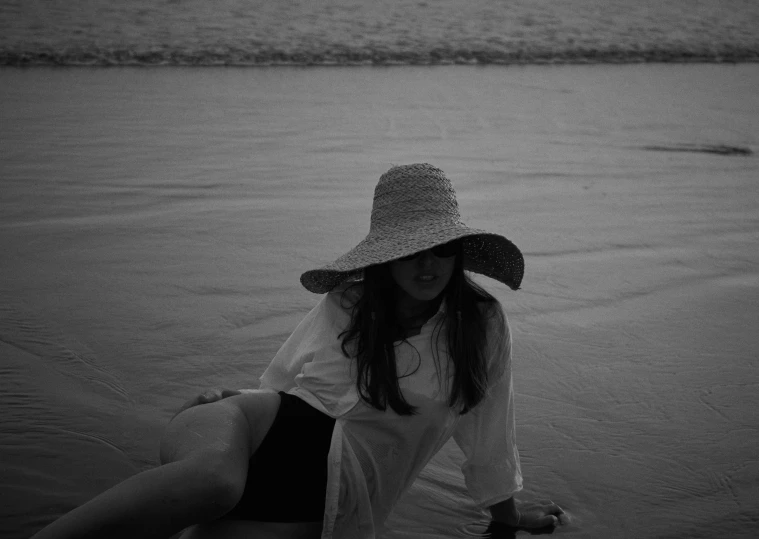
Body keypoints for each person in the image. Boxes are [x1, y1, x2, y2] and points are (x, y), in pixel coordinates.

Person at [31, 164, 565, 539]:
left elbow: (491, 429)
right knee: (213, 483)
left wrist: (505, 516)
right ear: (387, 258)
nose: (428, 267)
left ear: (459, 251)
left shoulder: (481, 324)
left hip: (327, 503)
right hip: (242, 430)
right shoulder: (351, 302)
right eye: (411, 252)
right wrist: (228, 398)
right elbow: (284, 384)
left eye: (442, 250)